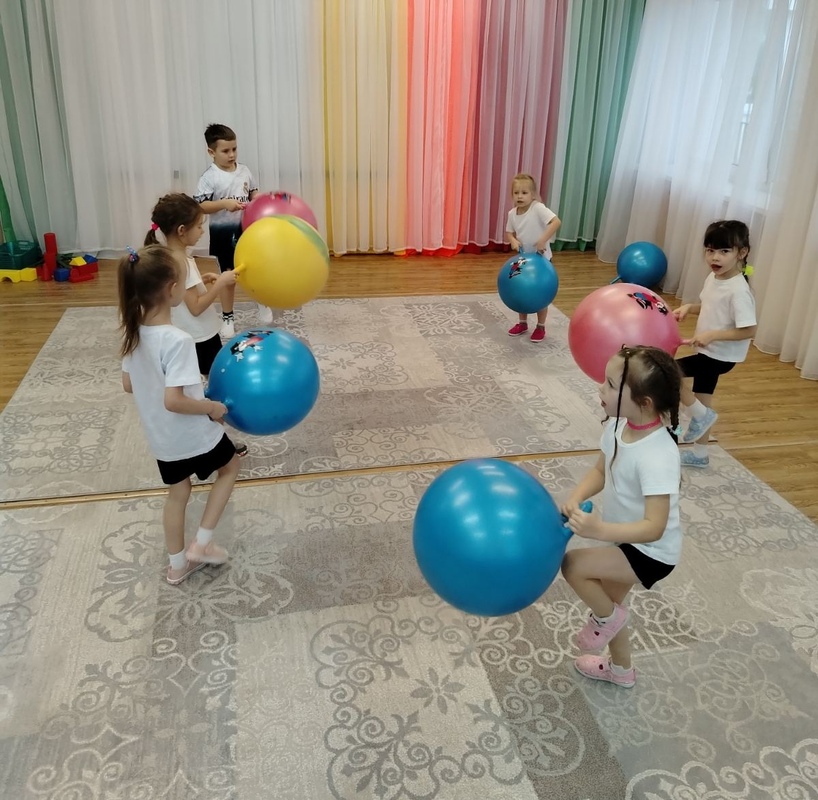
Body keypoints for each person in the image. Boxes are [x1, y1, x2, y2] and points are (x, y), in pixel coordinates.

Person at [560, 345, 683, 688]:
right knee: (611, 608)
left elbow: (655, 527)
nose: (601, 388)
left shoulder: (658, 455)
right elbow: (601, 470)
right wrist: (576, 496)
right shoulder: (617, 425)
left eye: (611, 385)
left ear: (644, 402)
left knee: (573, 565)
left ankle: (607, 620)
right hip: (625, 538)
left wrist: (599, 529)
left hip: (651, 552)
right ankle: (621, 671)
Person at [118, 244, 240, 585]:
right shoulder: (178, 340)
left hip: (162, 439)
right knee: (230, 468)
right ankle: (202, 543)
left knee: (178, 492)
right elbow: (175, 400)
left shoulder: (133, 333)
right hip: (190, 434)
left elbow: (128, 384)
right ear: (173, 290)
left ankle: (177, 566)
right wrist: (211, 407)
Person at [145, 192, 248, 456]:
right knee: (217, 390)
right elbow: (197, 306)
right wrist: (221, 283)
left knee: (201, 389)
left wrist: (203, 281)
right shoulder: (182, 262)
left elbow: (185, 293)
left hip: (192, 335)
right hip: (200, 337)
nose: (202, 231)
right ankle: (217, 442)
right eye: (199, 226)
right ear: (182, 230)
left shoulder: (170, 255)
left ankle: (208, 437)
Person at [673, 220, 757, 468]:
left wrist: (712, 335)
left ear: (742, 253)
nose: (715, 257)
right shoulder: (714, 277)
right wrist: (690, 307)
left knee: (666, 372)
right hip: (708, 351)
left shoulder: (739, 291)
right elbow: (711, 307)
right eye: (710, 250)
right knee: (703, 399)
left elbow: (749, 330)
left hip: (720, 355)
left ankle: (699, 415)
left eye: (724, 251)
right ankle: (700, 454)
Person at [193, 123, 272, 336]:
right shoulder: (209, 177)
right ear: (211, 152)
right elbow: (200, 205)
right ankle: (228, 316)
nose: (232, 154)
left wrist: (258, 198)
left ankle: (261, 300)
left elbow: (253, 191)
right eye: (226, 151)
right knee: (228, 276)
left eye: (234, 149)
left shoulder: (244, 171)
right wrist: (223, 204)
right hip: (223, 235)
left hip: (247, 231)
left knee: (255, 269)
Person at [504, 173, 561, 342]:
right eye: (516, 193)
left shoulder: (538, 208)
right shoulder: (512, 213)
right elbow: (509, 232)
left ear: (533, 194)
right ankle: (522, 323)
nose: (520, 196)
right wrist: (513, 240)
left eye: (524, 192)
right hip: (523, 259)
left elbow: (556, 222)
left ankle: (540, 326)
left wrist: (543, 240)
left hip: (541, 260)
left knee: (540, 295)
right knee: (520, 290)